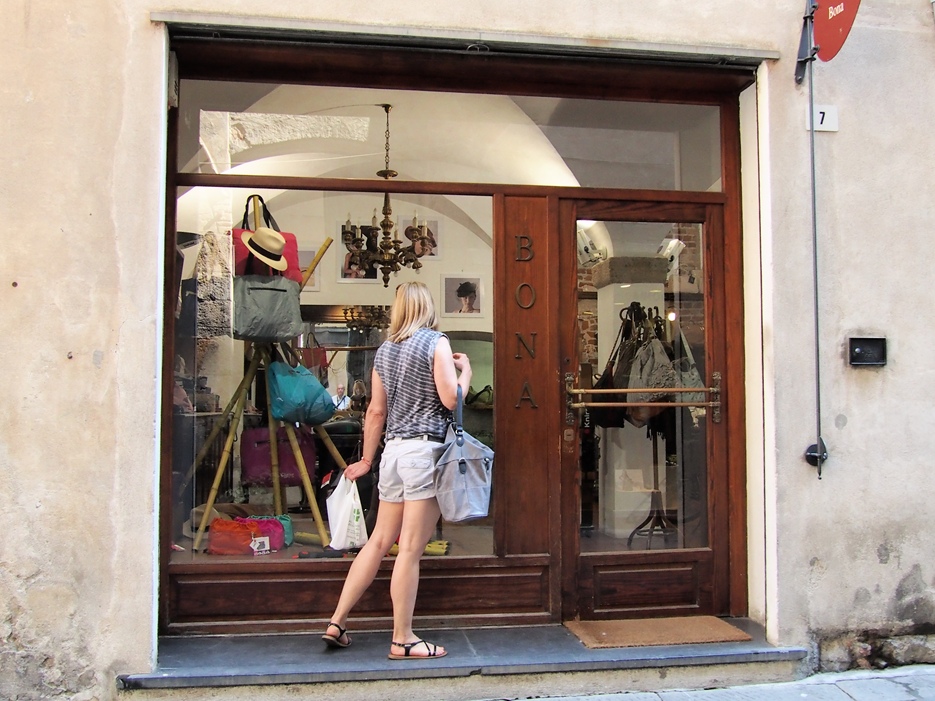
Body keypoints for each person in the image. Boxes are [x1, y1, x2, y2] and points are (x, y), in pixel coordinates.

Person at [321, 281, 472, 660]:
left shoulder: (385, 351)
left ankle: (337, 621)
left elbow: (376, 412)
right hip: (424, 452)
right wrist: (466, 373)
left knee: (377, 542)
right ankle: (402, 638)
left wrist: (367, 460)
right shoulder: (436, 342)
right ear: (428, 307)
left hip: (393, 454)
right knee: (410, 550)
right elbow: (451, 398)